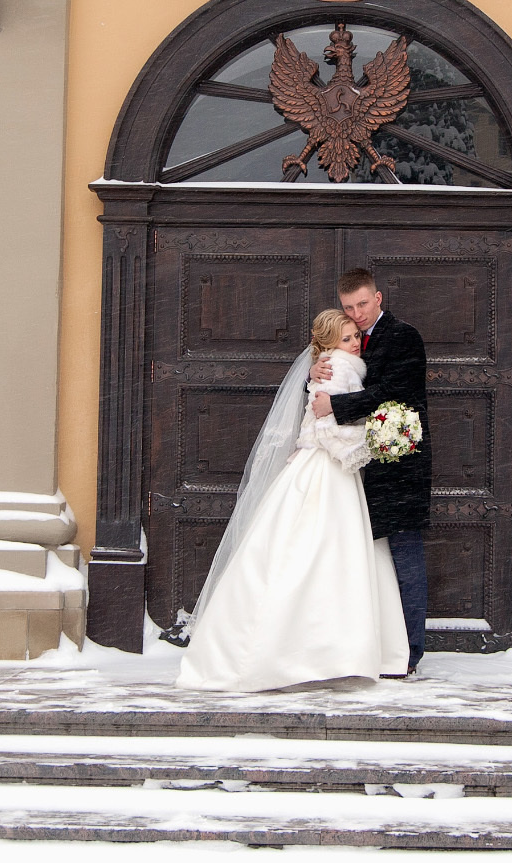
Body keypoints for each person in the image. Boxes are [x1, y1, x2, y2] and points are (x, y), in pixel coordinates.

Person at [175, 308, 409, 692]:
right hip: (328, 468)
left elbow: (315, 415)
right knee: (331, 550)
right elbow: (327, 425)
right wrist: (373, 440)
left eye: (355, 336)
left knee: (299, 548)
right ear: (331, 343)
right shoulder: (343, 367)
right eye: (348, 337)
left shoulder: (327, 365)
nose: (356, 343)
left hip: (314, 464)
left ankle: (294, 647)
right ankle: (325, 650)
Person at [314, 267, 428, 673]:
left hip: (399, 466)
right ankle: (372, 647)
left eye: (362, 303)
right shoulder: (346, 340)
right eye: (349, 306)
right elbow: (323, 393)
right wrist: (318, 372)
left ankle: (410, 652)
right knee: (366, 564)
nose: (357, 313)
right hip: (358, 468)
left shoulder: (403, 336)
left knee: (404, 556)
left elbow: (394, 392)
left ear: (378, 298)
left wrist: (337, 407)